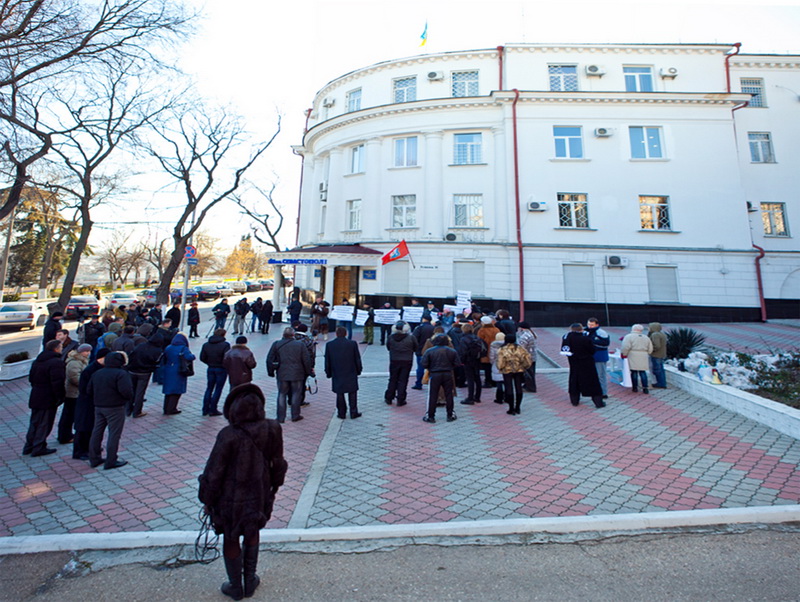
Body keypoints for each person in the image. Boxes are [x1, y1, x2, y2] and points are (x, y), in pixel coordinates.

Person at [198, 383, 287, 601]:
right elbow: (278, 463)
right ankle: (250, 579)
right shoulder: (272, 428)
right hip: (259, 493)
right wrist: (274, 487)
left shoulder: (228, 434)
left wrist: (206, 498)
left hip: (230, 498)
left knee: (230, 536)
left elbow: (214, 472)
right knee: (252, 530)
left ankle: (236, 585)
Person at [87, 351, 132, 469]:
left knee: (97, 431)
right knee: (114, 434)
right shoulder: (121, 374)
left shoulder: (97, 373)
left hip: (99, 406)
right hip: (115, 407)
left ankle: (94, 458)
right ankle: (111, 460)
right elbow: (126, 391)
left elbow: (89, 390)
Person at [23, 340, 66, 457]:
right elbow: (58, 382)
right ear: (56, 349)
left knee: (35, 421)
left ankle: (29, 445)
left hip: (36, 394)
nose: (62, 348)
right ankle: (39, 446)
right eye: (61, 346)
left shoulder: (38, 360)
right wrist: (60, 396)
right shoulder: (56, 362)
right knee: (45, 422)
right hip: (47, 397)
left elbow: (31, 378)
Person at [266, 327, 314, 423]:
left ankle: (280, 417)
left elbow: (269, 359)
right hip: (297, 373)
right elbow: (306, 360)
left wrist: (271, 372)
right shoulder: (300, 345)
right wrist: (309, 372)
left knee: (282, 394)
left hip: (282, 373)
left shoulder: (276, 344)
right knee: (296, 394)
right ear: (293, 335)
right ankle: (295, 415)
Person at [73, 348, 109, 461]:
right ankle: (80, 451)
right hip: (86, 402)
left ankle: (90, 448)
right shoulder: (91, 370)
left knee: (91, 427)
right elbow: (85, 388)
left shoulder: (98, 368)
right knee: (83, 427)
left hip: (92, 402)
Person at [562, 323, 606, 408]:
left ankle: (574, 401)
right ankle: (598, 402)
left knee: (574, 381)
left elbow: (566, 350)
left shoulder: (567, 337)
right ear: (581, 329)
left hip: (574, 362)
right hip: (587, 362)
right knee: (592, 382)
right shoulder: (585, 337)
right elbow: (592, 350)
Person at [323, 326, 363, 419]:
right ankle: (353, 412)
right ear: (346, 333)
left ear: (336, 334)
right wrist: (359, 370)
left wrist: (328, 372)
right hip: (351, 370)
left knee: (339, 393)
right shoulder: (352, 344)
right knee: (352, 392)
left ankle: (341, 413)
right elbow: (357, 358)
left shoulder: (330, 345)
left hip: (337, 371)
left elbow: (327, 360)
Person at [421, 334, 461, 423]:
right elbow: (457, 363)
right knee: (449, 394)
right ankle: (450, 414)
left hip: (434, 373)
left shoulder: (429, 351)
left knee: (433, 394)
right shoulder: (452, 351)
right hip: (447, 373)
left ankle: (431, 416)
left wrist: (430, 368)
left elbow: (424, 364)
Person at [126, 331, 162, 418]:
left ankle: (128, 410)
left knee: (132, 390)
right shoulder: (157, 350)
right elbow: (156, 362)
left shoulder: (141, 345)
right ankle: (137, 411)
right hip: (144, 372)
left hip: (133, 370)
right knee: (140, 392)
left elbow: (132, 355)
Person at [60, 343, 92, 444]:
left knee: (70, 415)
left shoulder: (81, 361)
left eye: (89, 351)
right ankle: (65, 435)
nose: (88, 353)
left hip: (76, 393)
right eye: (86, 351)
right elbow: (74, 378)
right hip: (72, 394)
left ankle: (66, 434)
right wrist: (85, 384)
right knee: (69, 416)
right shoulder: (75, 362)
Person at [496, 334, 533, 415]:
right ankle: (518, 407)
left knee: (509, 388)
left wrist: (500, 368)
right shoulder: (520, 349)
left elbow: (500, 364)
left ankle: (511, 408)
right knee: (518, 387)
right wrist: (524, 367)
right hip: (519, 370)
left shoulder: (502, 350)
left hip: (507, 371)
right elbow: (527, 360)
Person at [384, 321, 417, 406]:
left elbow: (388, 347)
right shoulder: (411, 338)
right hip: (407, 361)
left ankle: (389, 397)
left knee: (392, 379)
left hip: (394, 360)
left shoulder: (391, 337)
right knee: (403, 380)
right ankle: (401, 399)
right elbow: (415, 347)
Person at [162, 333, 195, 415]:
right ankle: (172, 408)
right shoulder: (183, 348)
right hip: (179, 370)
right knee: (176, 391)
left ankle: (166, 408)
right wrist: (193, 356)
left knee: (168, 391)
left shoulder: (168, 347)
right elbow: (189, 357)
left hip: (168, 369)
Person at [200, 328, 231, 417]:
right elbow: (226, 358)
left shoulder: (206, 345)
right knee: (218, 388)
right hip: (221, 369)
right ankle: (213, 409)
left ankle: (205, 409)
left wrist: (209, 363)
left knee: (209, 388)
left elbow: (202, 357)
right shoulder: (225, 345)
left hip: (210, 368)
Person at [621, 324, 654, 394]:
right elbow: (650, 348)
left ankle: (635, 387)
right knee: (643, 372)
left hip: (633, 355)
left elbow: (625, 347)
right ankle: (645, 388)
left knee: (634, 372)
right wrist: (648, 352)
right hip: (643, 355)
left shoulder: (629, 337)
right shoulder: (646, 337)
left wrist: (624, 354)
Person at [457, 323, 484, 404]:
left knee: (470, 379)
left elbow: (463, 351)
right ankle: (477, 397)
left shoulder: (463, 339)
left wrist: (461, 360)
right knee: (477, 378)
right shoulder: (477, 337)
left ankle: (470, 397)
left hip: (468, 361)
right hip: (477, 359)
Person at [586, 318, 610, 398]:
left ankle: (603, 392)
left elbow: (605, 344)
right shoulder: (586, 332)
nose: (590, 326)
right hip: (590, 357)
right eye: (589, 324)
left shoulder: (601, 332)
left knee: (600, 375)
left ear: (597, 325)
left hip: (599, 357)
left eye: (592, 325)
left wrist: (591, 343)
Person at [410, 315, 435, 390]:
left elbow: (414, 339)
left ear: (423, 319)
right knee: (432, 368)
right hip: (432, 351)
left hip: (421, 351)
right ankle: (432, 384)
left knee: (420, 368)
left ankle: (418, 384)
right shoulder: (433, 328)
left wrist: (415, 349)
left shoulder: (419, 328)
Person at [477, 316, 500, 387]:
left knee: (487, 368)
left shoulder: (481, 330)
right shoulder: (496, 329)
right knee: (494, 367)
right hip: (495, 350)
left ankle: (488, 381)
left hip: (485, 351)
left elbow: (479, 341)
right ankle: (494, 381)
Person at [516, 322, 538, 393]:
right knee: (531, 372)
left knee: (528, 373)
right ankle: (528, 385)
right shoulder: (531, 334)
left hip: (527, 357)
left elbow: (521, 347)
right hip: (532, 355)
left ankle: (530, 387)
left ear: (522, 328)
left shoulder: (524, 336)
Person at [488, 332, 507, 404]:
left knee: (499, 382)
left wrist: (493, 363)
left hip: (497, 364)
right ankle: (507, 397)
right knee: (506, 382)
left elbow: (492, 357)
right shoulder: (507, 345)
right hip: (505, 365)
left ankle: (499, 398)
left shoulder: (494, 345)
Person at [649, 322, 668, 389]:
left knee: (657, 369)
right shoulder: (661, 334)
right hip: (661, 354)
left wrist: (651, 350)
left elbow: (657, 345)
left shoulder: (655, 335)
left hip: (656, 354)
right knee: (661, 369)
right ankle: (662, 382)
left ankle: (660, 383)